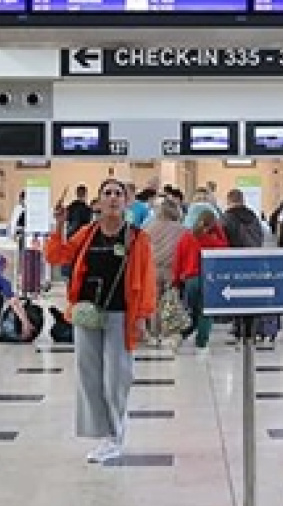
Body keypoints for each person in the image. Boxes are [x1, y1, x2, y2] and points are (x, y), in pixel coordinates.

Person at [46, 179, 156, 465]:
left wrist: (143, 316)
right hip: (88, 314)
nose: (113, 198)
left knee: (117, 376)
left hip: (121, 315)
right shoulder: (87, 234)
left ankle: (116, 434)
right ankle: (104, 434)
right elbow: (56, 256)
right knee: (90, 376)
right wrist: (59, 224)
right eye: (107, 193)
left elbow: (146, 279)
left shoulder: (137, 238)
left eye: (118, 193)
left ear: (126, 201)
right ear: (98, 201)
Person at [172, 208, 230, 349]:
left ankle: (181, 335)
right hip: (207, 279)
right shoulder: (211, 240)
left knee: (191, 311)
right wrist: (218, 230)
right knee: (205, 312)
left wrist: (176, 281)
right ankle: (201, 342)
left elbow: (178, 260)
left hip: (190, 280)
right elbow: (225, 248)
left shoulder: (186, 237)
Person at [144, 195, 187, 343]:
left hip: (153, 268)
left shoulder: (149, 228)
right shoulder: (182, 230)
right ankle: (168, 332)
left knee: (154, 302)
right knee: (170, 301)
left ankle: (154, 333)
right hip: (172, 269)